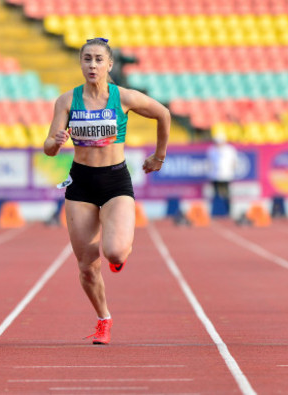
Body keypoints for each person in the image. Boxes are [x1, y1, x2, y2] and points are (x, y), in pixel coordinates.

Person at [44, 38, 170, 345]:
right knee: (87, 266)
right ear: (81, 63)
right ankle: (103, 319)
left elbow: (163, 114)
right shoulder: (67, 101)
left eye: (99, 60)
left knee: (113, 251)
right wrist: (56, 141)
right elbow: (48, 148)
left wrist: (159, 156)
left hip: (115, 182)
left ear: (109, 65)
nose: (92, 65)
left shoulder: (123, 97)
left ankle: (118, 253)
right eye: (87, 59)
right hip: (81, 184)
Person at [206, 131, 238, 216]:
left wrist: (231, 171)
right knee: (216, 194)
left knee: (226, 194)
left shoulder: (230, 149)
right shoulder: (211, 150)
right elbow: (209, 163)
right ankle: (216, 211)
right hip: (215, 175)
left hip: (226, 175)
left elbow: (234, 162)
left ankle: (228, 212)